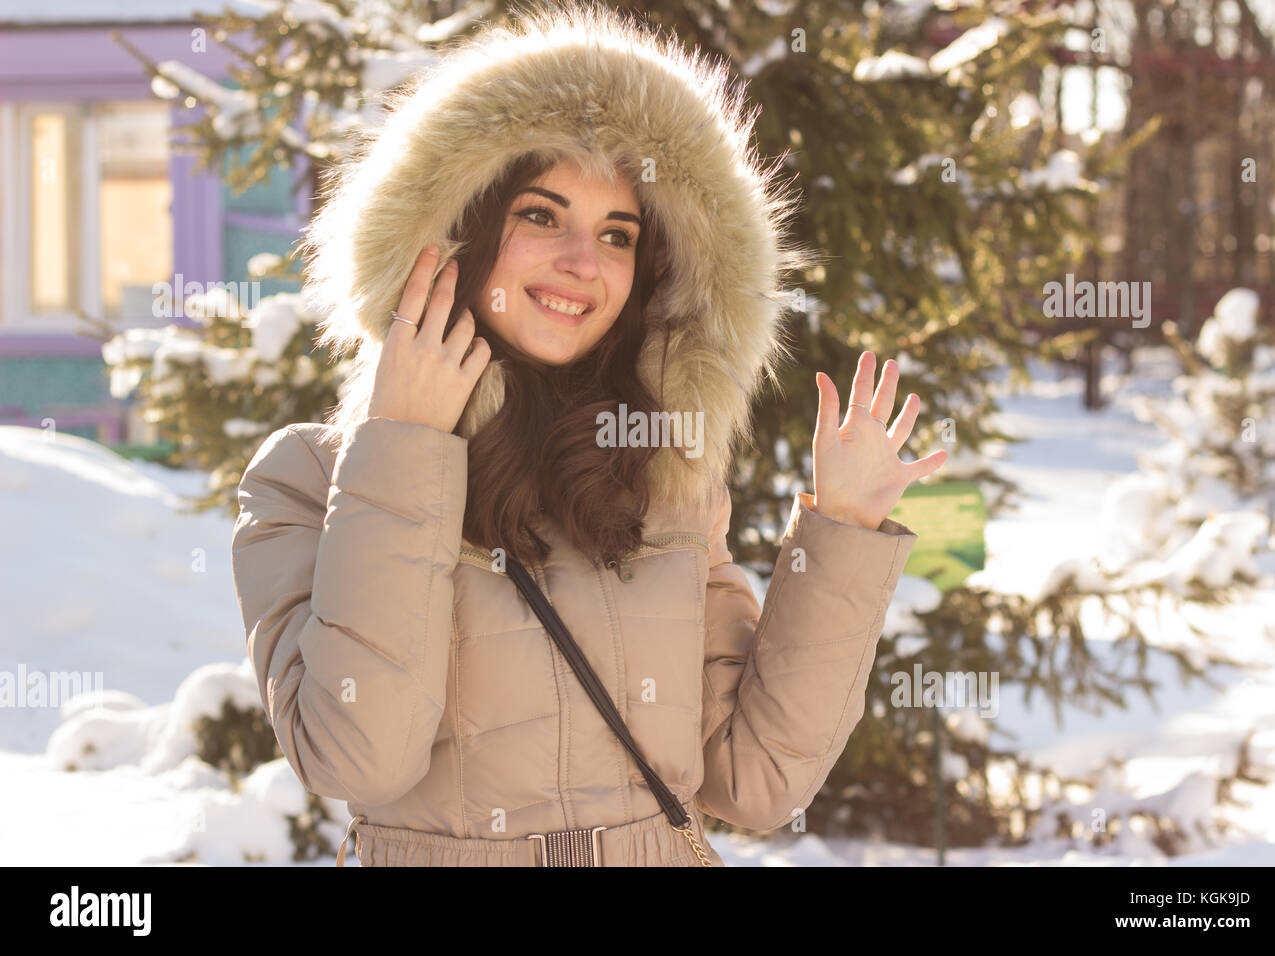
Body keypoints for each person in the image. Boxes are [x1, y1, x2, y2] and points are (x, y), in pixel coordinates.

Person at [231, 2, 946, 867]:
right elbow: (361, 756)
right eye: (541, 215)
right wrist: (406, 445)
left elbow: (754, 779)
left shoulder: (664, 484)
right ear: (455, 232)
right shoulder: (311, 480)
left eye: (618, 235)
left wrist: (842, 534)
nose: (583, 263)